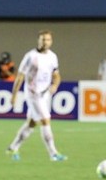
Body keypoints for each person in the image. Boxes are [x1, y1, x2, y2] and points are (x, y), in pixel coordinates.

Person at [6, 30, 66, 162]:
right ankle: (53, 153)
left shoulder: (52, 57)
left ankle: (13, 147)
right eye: (43, 39)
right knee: (45, 120)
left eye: (48, 40)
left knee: (32, 123)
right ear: (38, 40)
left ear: (51, 41)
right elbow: (20, 76)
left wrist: (55, 85)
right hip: (33, 94)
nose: (45, 42)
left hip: (45, 95)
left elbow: (56, 75)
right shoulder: (30, 56)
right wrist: (14, 95)